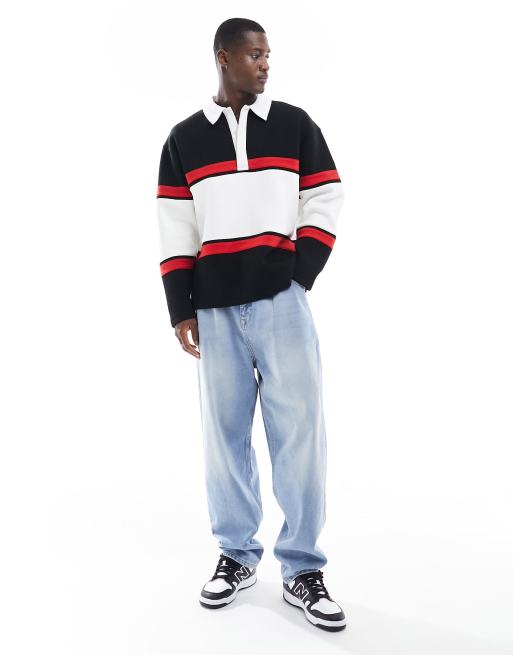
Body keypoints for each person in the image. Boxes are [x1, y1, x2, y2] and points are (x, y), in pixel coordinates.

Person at [156, 17, 346, 632]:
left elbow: (325, 195)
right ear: (224, 57)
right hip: (214, 309)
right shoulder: (185, 139)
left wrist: (299, 273)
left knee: (300, 434)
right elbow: (176, 225)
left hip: (282, 303)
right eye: (254, 55)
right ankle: (236, 555)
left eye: (268, 55)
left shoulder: (294, 125)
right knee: (224, 436)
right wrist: (181, 307)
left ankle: (302, 568)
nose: (265, 64)